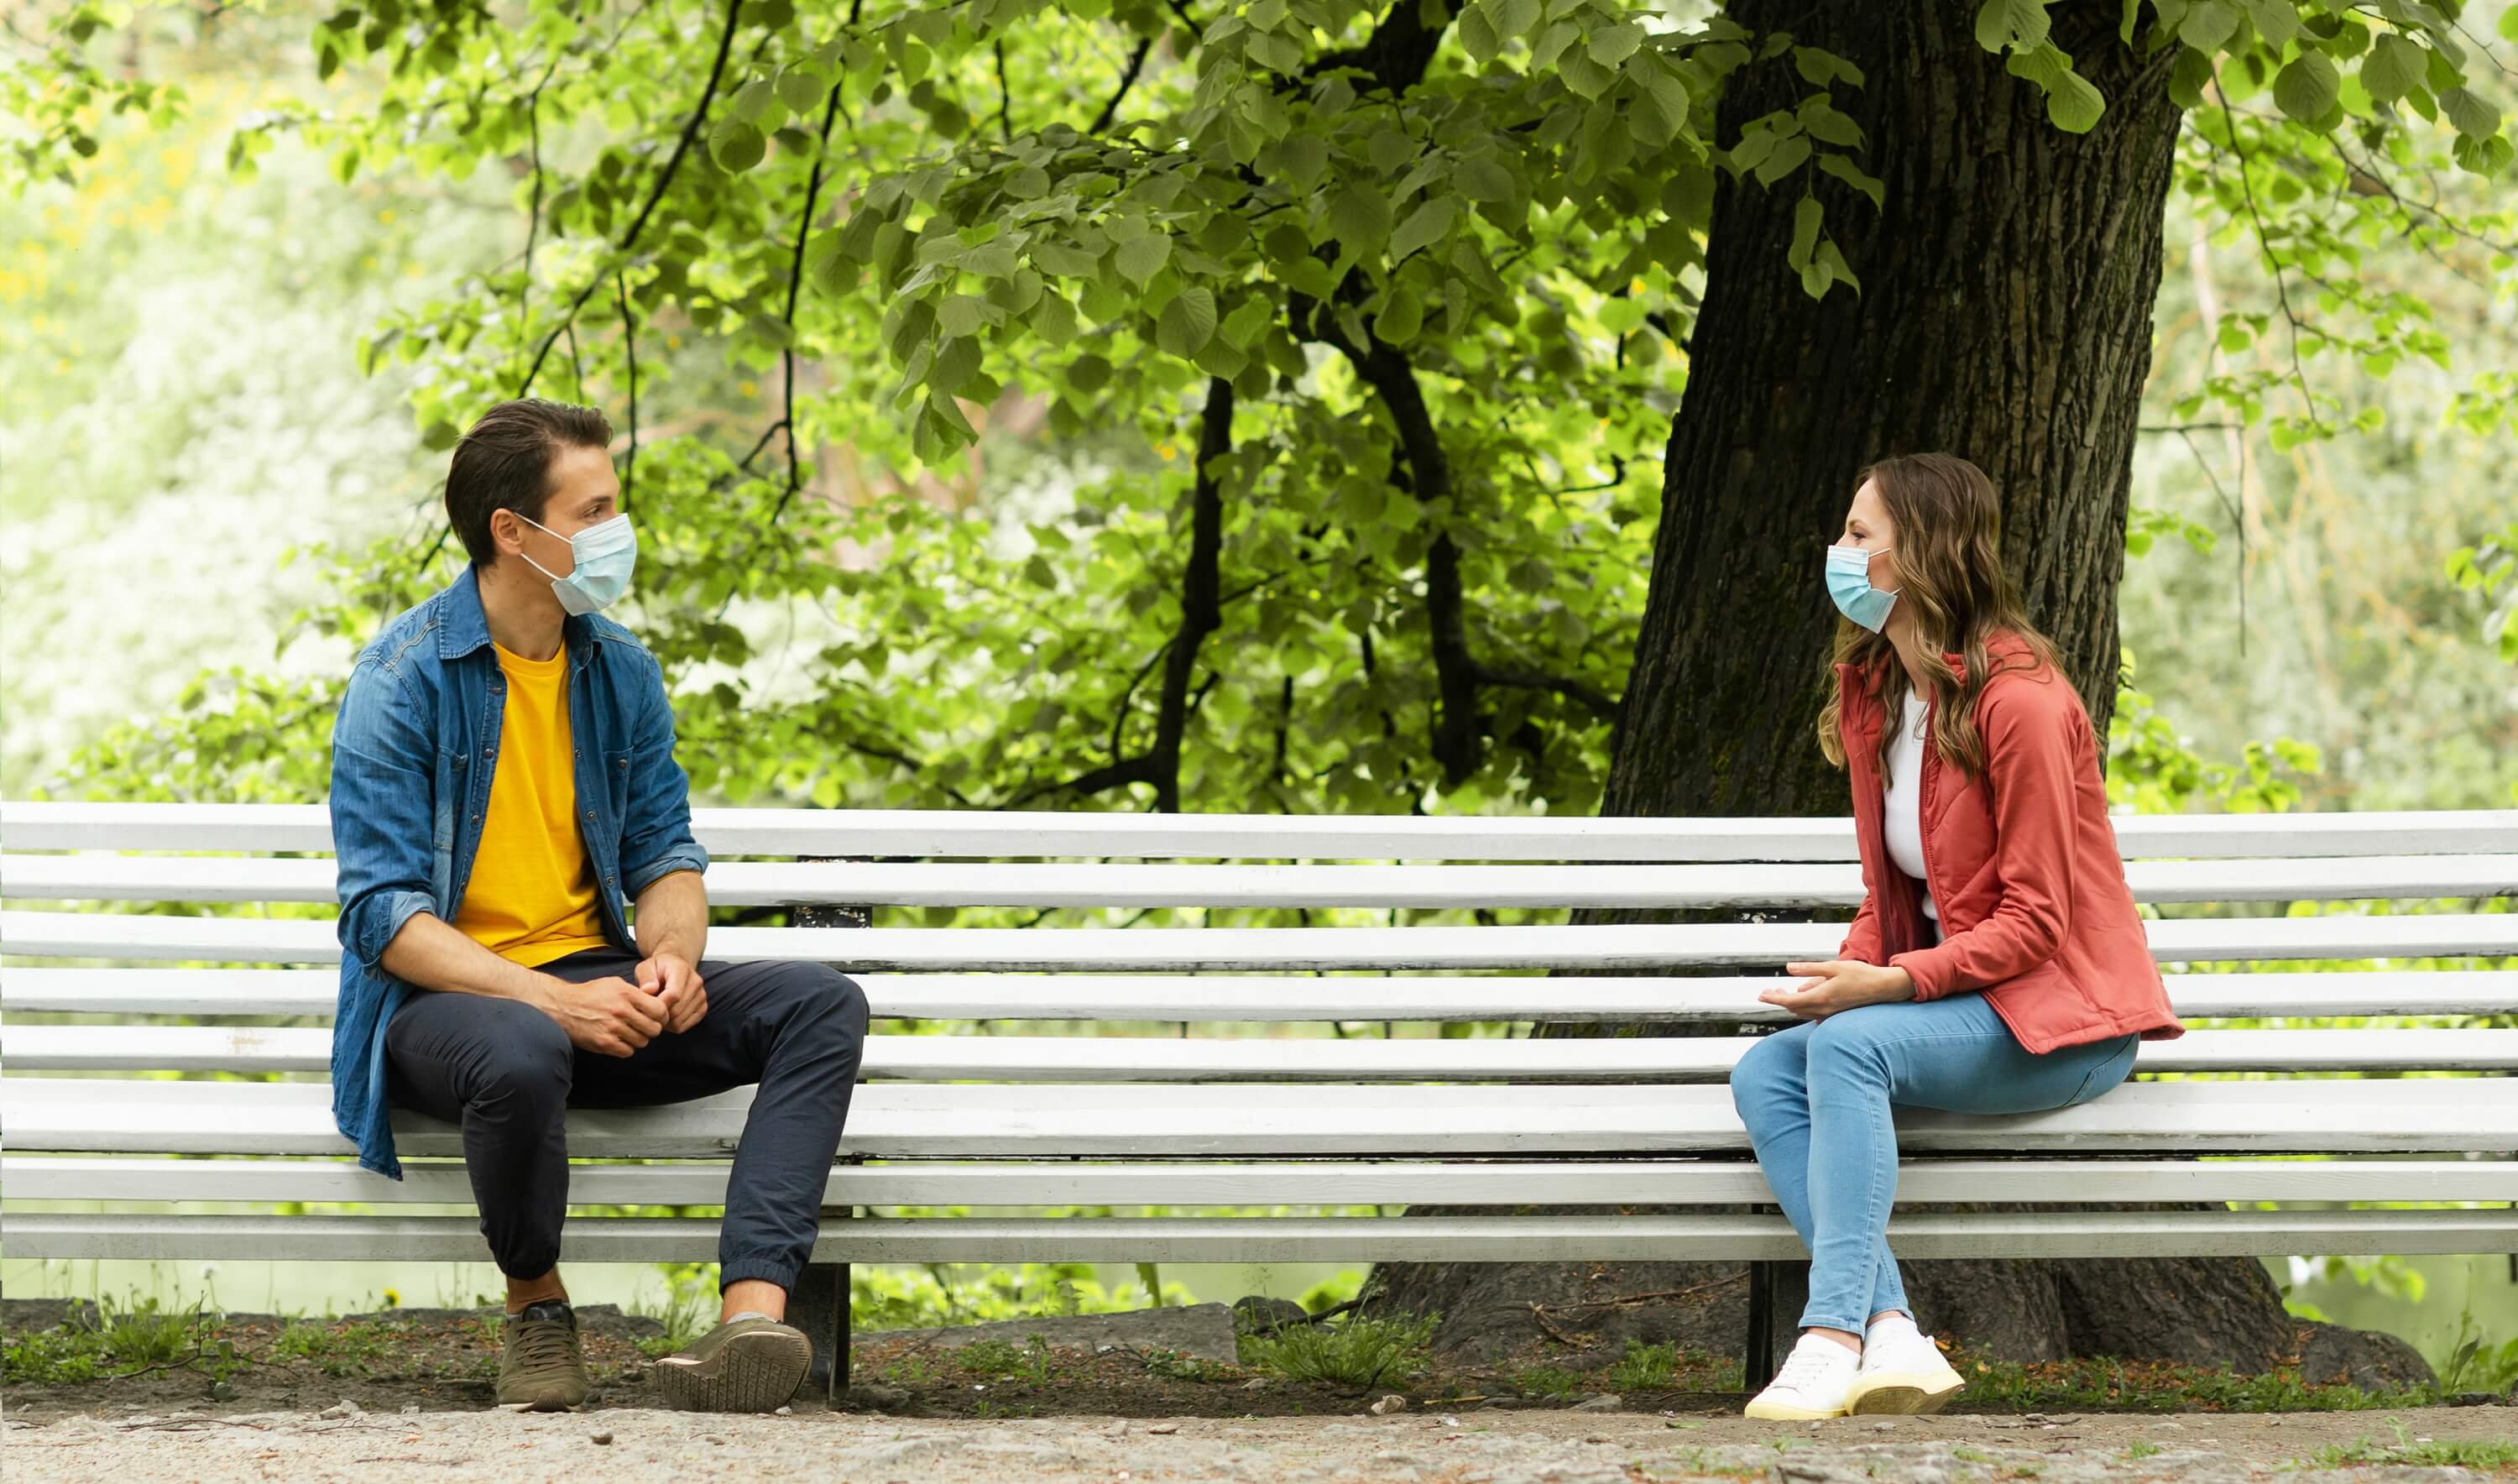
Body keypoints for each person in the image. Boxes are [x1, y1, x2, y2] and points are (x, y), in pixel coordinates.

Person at [327, 398, 871, 1413]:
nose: (619, 532)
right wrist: (549, 1002)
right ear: (513, 532)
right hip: (446, 1006)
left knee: (819, 1002)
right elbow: (384, 918)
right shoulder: (400, 678)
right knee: (524, 1048)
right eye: (597, 509)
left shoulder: (617, 669)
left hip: (594, 983)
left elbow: (664, 851)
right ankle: (537, 1317)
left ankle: (752, 1319)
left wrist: (668, 956)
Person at [1732, 452, 2186, 1421]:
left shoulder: (2020, 701)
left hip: (2065, 1021)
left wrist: (1887, 988)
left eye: (1861, 536)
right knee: (1764, 1074)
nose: (1838, 553)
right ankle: (1894, 1331)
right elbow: (1901, 891)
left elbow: (2036, 923)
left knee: (1850, 1048)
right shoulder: (1880, 691)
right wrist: (1855, 964)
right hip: (1964, 1005)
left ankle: (1828, 1336)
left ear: (1921, 557)